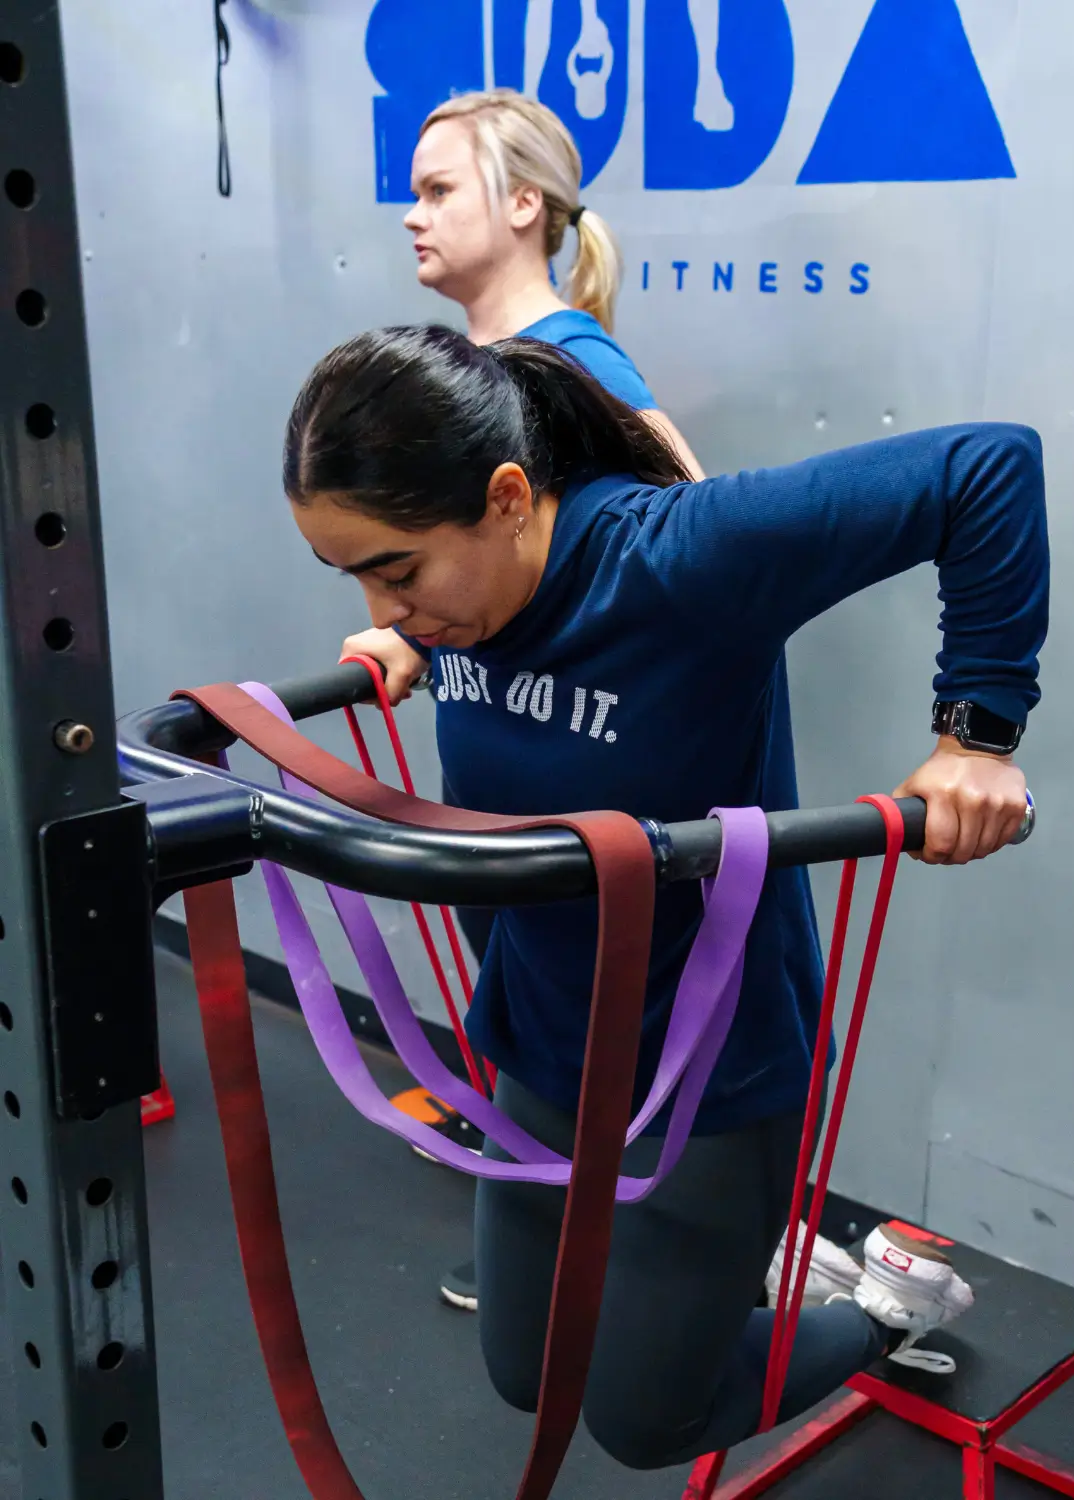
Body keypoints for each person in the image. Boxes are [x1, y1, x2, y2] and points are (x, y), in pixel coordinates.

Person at [284, 322, 1048, 1469]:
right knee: (525, 1372)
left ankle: (885, 1311)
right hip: (545, 1043)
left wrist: (976, 738)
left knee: (648, 1423)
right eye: (353, 575)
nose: (384, 605)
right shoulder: (461, 607)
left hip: (709, 1075)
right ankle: (751, 1275)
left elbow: (986, 469)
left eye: (395, 569)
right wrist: (416, 646)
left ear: (506, 499)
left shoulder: (677, 557)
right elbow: (486, 660)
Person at [341, 86, 703, 1314]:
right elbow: (530, 597)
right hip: (510, 809)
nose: (413, 213)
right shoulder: (491, 376)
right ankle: (552, 1262)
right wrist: (425, 642)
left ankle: (687, 1285)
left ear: (526, 204)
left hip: (584, 825)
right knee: (533, 1058)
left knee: (600, 1079)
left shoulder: (573, 368)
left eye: (439, 188)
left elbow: (691, 585)